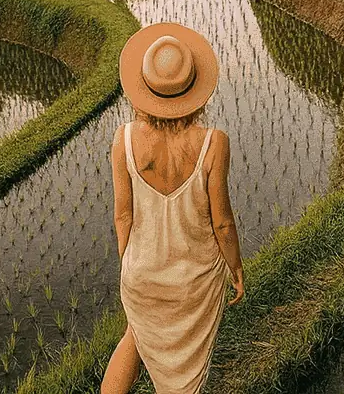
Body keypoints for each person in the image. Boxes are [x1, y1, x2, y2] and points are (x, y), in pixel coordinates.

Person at [102, 22, 244, 394]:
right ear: (195, 90)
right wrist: (236, 267)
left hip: (141, 275)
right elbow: (223, 223)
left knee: (134, 337)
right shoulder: (214, 143)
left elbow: (122, 216)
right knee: (187, 376)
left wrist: (131, 267)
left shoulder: (125, 140)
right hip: (192, 282)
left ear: (142, 89)